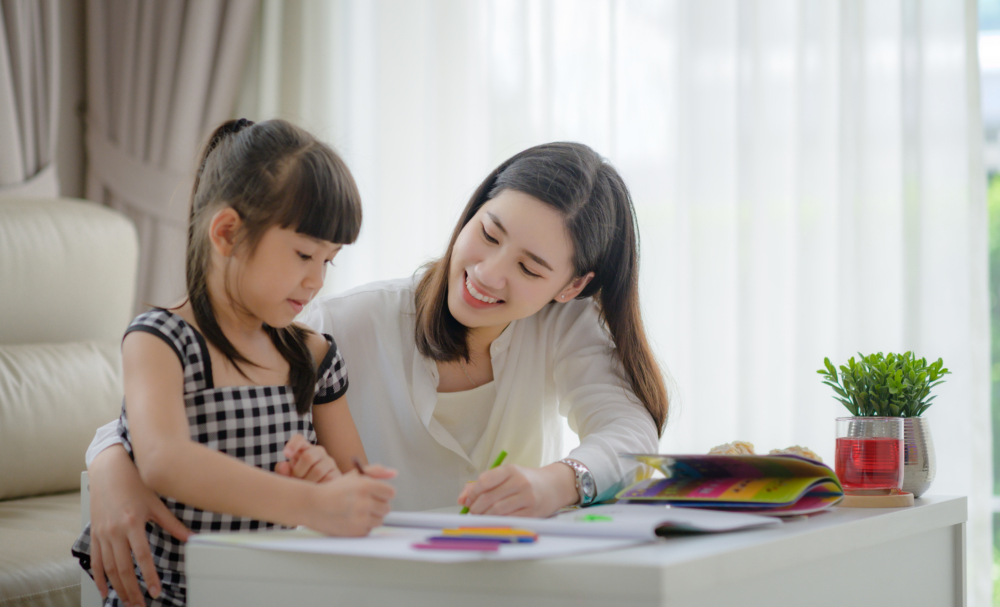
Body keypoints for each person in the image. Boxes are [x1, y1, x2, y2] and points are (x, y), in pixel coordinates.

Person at [83, 141, 669, 602]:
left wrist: (553, 483)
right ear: (471, 214)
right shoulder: (346, 322)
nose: (489, 273)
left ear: (570, 287)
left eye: (529, 268)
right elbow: (177, 396)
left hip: (499, 586)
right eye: (488, 234)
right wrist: (110, 461)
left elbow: (630, 435)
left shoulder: (561, 326)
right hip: (371, 586)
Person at [72, 118, 396, 607]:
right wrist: (309, 501)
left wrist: (329, 483)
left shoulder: (313, 355)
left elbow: (354, 484)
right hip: (175, 595)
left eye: (327, 261)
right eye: (304, 254)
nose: (316, 281)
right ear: (226, 233)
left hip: (279, 592)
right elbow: (165, 461)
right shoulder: (161, 340)